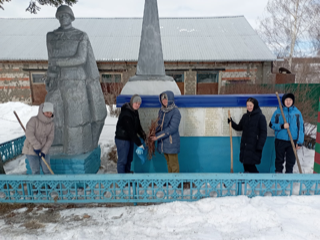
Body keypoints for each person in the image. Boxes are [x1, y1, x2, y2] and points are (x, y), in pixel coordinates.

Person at [45, 5, 107, 155]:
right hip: (59, 81)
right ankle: (57, 146)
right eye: (60, 16)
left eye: (65, 15)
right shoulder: (51, 36)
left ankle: (77, 148)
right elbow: (50, 60)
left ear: (71, 17)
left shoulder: (80, 36)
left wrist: (59, 62)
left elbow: (81, 58)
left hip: (76, 82)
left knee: (75, 118)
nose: (62, 18)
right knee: (52, 112)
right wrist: (50, 75)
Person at [228, 97, 267, 173]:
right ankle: (247, 180)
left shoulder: (260, 117)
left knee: (250, 165)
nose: (249, 107)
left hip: (254, 145)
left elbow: (263, 133)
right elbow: (239, 127)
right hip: (245, 145)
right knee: (245, 163)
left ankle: (256, 179)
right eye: (247, 105)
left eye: (250, 105)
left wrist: (260, 145)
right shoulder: (245, 116)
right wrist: (231, 123)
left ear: (254, 105)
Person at [269, 93, 304, 173]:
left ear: (293, 101)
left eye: (290, 100)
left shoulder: (297, 113)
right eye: (286, 100)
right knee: (279, 159)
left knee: (290, 160)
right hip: (280, 140)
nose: (288, 102)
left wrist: (299, 142)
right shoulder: (278, 111)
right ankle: (278, 174)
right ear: (283, 101)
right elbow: (271, 124)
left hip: (293, 140)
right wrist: (281, 126)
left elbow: (301, 128)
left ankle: (288, 175)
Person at [151, 91, 181, 173]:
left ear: (170, 99)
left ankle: (176, 182)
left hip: (171, 142)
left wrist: (157, 136)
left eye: (166, 99)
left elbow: (172, 128)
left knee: (173, 164)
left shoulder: (175, 111)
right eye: (162, 99)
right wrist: (153, 132)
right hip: (164, 142)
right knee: (168, 163)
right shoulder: (161, 111)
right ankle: (171, 181)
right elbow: (160, 125)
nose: (164, 101)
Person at [115, 95, 146, 174]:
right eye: (136, 103)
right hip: (122, 139)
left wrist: (144, 136)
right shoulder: (126, 113)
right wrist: (139, 144)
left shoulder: (135, 112)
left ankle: (127, 175)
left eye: (139, 104)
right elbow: (130, 131)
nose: (137, 105)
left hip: (129, 138)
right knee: (123, 160)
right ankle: (122, 179)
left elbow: (138, 127)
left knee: (129, 159)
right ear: (132, 102)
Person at [22, 102, 54, 174]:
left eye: (50, 113)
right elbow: (29, 134)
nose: (49, 114)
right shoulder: (33, 120)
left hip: (44, 150)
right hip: (31, 149)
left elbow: (50, 138)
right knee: (36, 171)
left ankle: (50, 184)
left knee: (47, 170)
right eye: (47, 112)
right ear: (42, 112)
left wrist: (44, 151)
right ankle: (37, 185)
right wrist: (37, 146)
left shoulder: (51, 124)